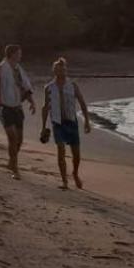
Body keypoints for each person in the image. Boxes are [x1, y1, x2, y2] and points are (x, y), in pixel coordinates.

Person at [0, 44, 36, 178]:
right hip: (5, 107)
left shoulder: (18, 69)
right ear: (12, 54)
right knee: (12, 138)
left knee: (19, 140)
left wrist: (32, 101)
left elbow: (26, 87)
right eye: (19, 53)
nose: (20, 55)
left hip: (17, 107)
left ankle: (11, 161)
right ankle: (15, 169)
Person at [40, 57, 92, 190]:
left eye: (63, 69)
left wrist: (86, 121)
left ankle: (75, 173)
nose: (61, 72)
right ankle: (64, 181)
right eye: (58, 70)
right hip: (57, 123)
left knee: (76, 155)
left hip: (71, 122)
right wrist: (43, 126)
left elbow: (82, 102)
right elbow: (45, 107)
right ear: (54, 71)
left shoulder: (72, 85)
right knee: (61, 150)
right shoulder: (49, 87)